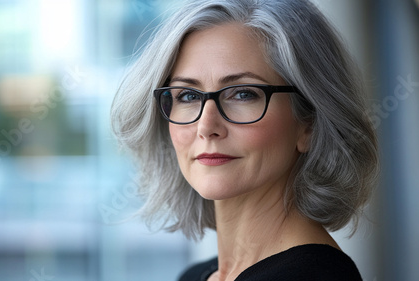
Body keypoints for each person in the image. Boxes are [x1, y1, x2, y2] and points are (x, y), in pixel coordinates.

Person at [111, 0, 379, 280]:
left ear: (309, 123)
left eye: (243, 94)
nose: (206, 126)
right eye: (187, 96)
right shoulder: (196, 275)